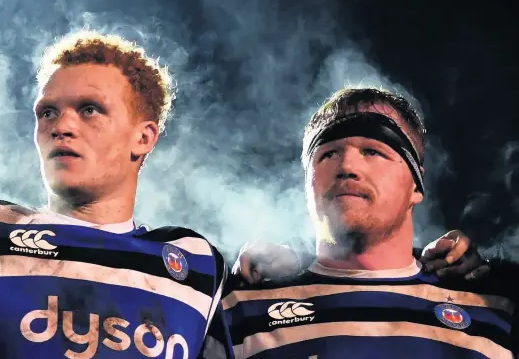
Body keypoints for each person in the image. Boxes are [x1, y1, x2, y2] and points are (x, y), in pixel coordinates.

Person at [0, 31, 227, 358]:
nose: (61, 126)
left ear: (143, 138)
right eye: (48, 112)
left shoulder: (198, 266)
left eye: (89, 109)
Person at [203, 87, 518, 359]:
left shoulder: (495, 307)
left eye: (373, 151)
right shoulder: (239, 309)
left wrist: (501, 275)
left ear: (416, 185)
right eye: (327, 155)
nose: (347, 166)